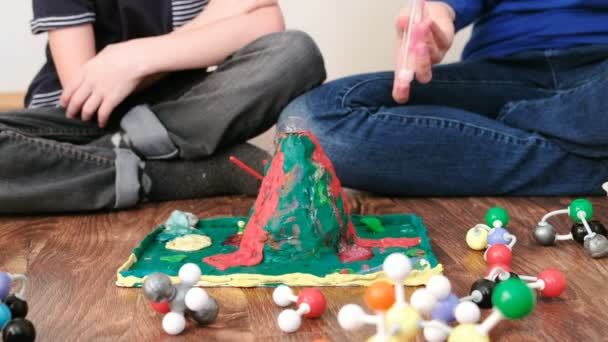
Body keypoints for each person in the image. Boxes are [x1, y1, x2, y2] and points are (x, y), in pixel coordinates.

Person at [0, 0, 326, 214]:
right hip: (79, 122)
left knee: (295, 54)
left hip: (179, 111)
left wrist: (135, 59)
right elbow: (86, 87)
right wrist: (205, 28)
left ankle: (101, 162)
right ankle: (160, 175)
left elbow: (266, 21)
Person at [279, 0, 608, 196]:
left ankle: (530, 125)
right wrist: (439, 11)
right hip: (505, 72)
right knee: (309, 124)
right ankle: (586, 155)